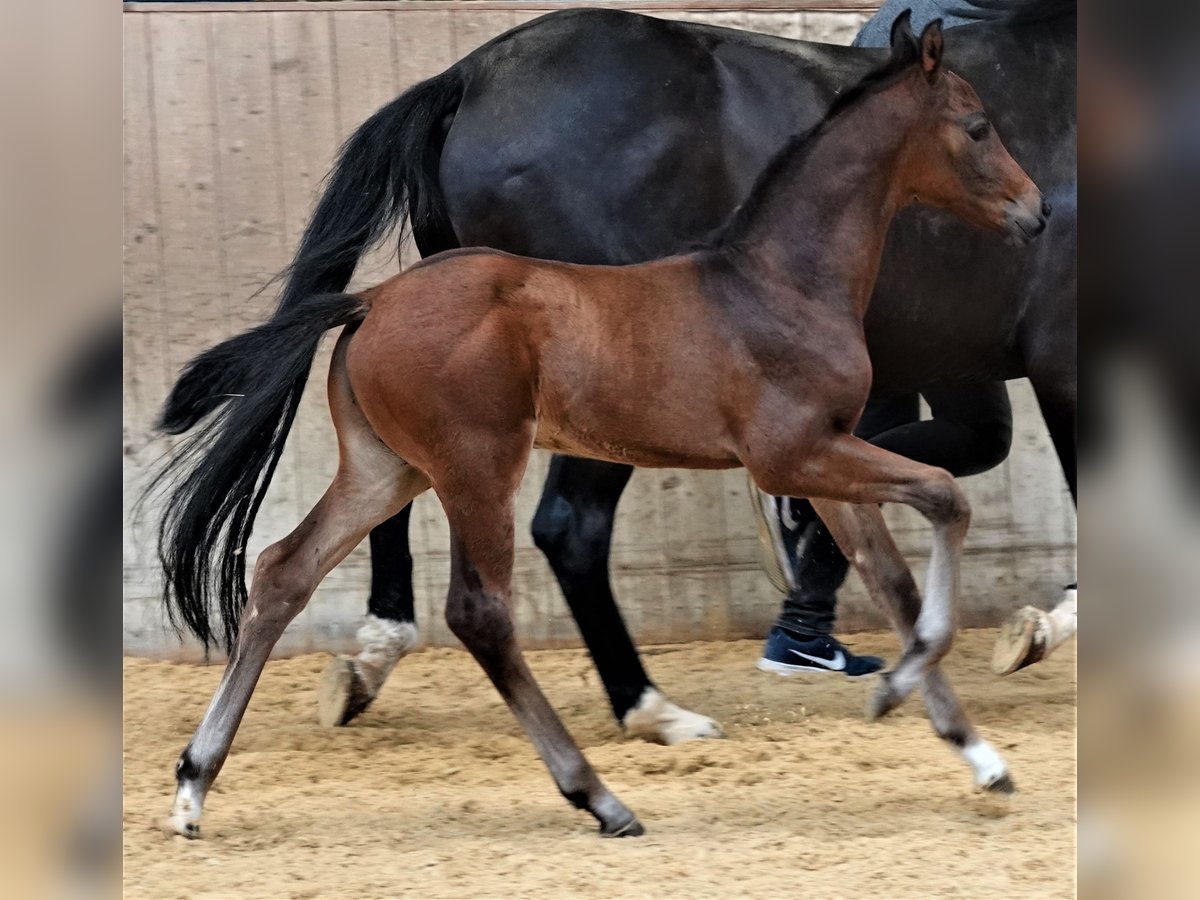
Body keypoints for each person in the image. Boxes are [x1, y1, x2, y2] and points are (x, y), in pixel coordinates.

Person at [757, 0, 1017, 679]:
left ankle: (803, 628)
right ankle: (805, 471)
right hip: (916, 277)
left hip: (882, 279)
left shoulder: (903, 23)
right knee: (980, 431)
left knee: (883, 433)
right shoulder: (968, 34)